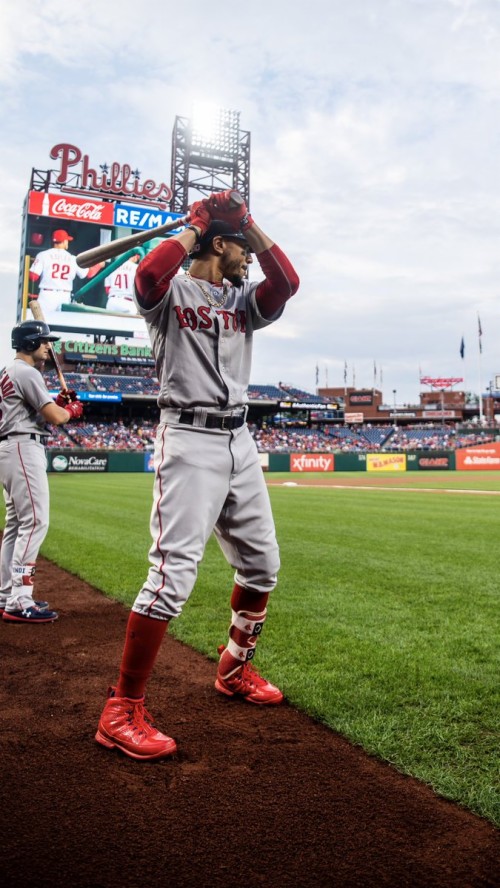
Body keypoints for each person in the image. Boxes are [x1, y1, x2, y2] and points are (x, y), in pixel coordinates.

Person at [95, 190, 300, 761]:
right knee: (172, 576)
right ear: (215, 245)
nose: (249, 258)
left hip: (239, 438)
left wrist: (249, 223)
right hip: (187, 437)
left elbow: (287, 283)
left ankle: (233, 669)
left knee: (263, 565)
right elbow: (147, 276)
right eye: (240, 247)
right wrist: (197, 225)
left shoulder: (245, 297)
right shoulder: (171, 292)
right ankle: (121, 711)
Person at [0, 321, 84, 622]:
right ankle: (20, 599)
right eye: (45, 341)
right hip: (22, 447)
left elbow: (39, 410)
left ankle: (7, 593)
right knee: (35, 522)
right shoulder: (27, 372)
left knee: (16, 524)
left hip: (12, 446)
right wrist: (71, 409)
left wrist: (59, 403)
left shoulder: (10, 371)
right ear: (32, 342)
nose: (49, 346)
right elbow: (57, 417)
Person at [29, 229, 102, 314]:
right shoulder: (72, 259)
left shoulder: (43, 255)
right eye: (67, 241)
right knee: (61, 324)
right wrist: (99, 265)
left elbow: (33, 276)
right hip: (63, 296)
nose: (67, 243)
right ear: (64, 242)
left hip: (46, 296)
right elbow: (89, 274)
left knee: (43, 322)